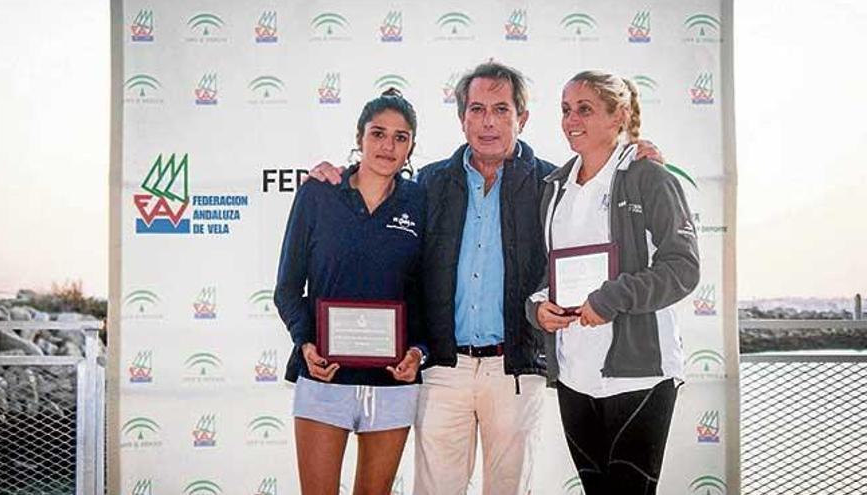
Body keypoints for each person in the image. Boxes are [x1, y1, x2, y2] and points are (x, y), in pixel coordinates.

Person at [308, 62, 663, 495]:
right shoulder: (429, 182)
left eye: (501, 109)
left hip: (515, 369)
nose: (488, 121)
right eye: (476, 109)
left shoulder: (553, 184)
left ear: (522, 119)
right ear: (462, 119)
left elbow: (604, 176)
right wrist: (334, 175)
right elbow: (376, 189)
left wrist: (637, 154)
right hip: (443, 369)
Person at [525, 70, 700, 495]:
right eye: (565, 110)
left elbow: (683, 267)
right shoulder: (554, 188)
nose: (571, 120)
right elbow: (544, 275)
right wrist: (538, 308)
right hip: (573, 374)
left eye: (584, 109)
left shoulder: (649, 176)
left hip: (638, 374)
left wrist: (612, 298)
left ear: (617, 115)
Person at [273, 89, 428, 495]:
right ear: (359, 137)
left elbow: (429, 293)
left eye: (401, 137)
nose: (388, 146)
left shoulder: (421, 201)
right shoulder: (318, 194)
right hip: (325, 377)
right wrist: (306, 344)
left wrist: (417, 352)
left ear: (412, 146)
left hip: (393, 384)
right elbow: (288, 288)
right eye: (378, 133)